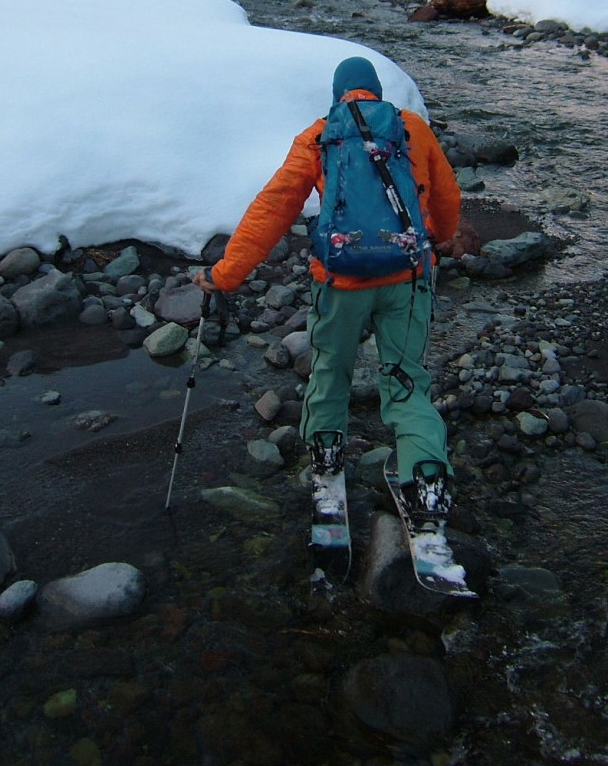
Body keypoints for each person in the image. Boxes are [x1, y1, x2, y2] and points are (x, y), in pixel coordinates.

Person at [193, 56, 461, 519]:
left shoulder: (319, 135)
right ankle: (427, 478)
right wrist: (435, 237)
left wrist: (225, 275)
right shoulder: (412, 127)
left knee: (330, 371)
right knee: (405, 382)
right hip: (408, 278)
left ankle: (327, 455)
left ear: (339, 94)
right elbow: (447, 196)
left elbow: (272, 208)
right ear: (377, 91)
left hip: (340, 281)